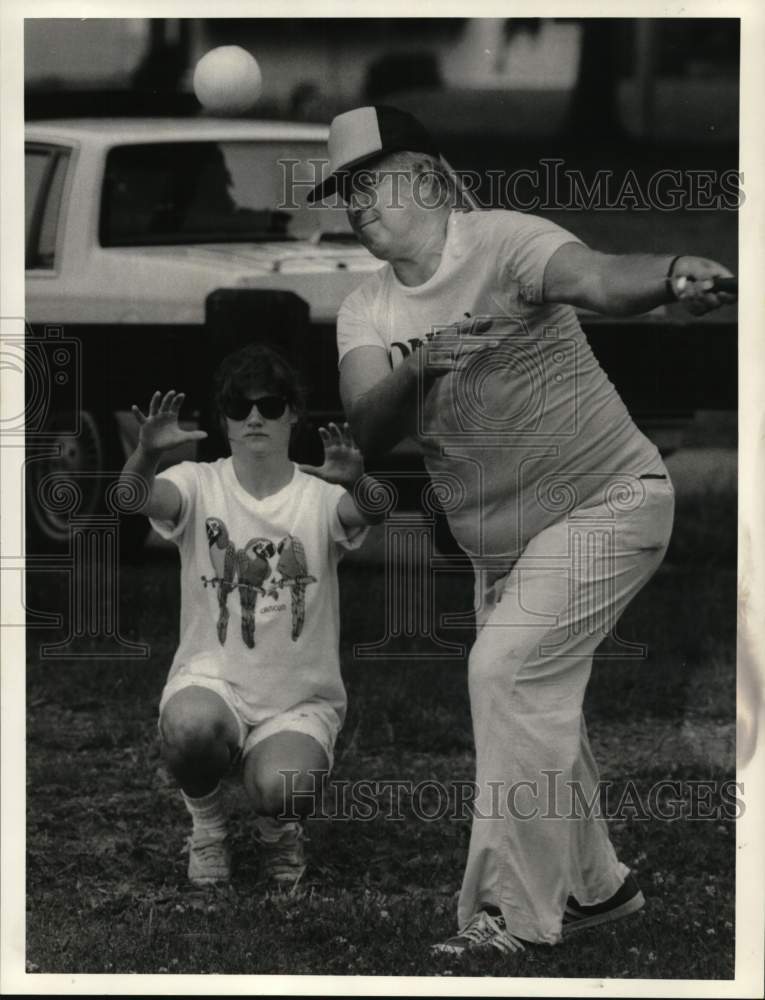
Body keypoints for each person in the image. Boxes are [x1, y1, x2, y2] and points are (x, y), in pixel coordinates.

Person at [307, 105, 737, 955]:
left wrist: (672, 272)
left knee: (505, 674)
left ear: (428, 179)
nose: (355, 204)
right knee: (536, 706)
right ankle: (597, 890)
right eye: (343, 192)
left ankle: (510, 917)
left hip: (608, 502)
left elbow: (600, 278)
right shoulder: (366, 308)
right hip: (504, 549)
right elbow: (368, 423)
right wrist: (421, 365)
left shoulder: (505, 242)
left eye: (370, 182)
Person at [119, 343, 381, 888]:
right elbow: (131, 498)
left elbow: (373, 509)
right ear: (225, 420)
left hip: (298, 701)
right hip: (213, 684)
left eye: (270, 404)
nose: (255, 416)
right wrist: (145, 453)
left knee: (284, 786)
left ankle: (278, 831)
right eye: (240, 406)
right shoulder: (198, 482)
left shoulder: (318, 497)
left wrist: (358, 480)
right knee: (189, 729)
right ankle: (208, 828)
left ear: (293, 414)